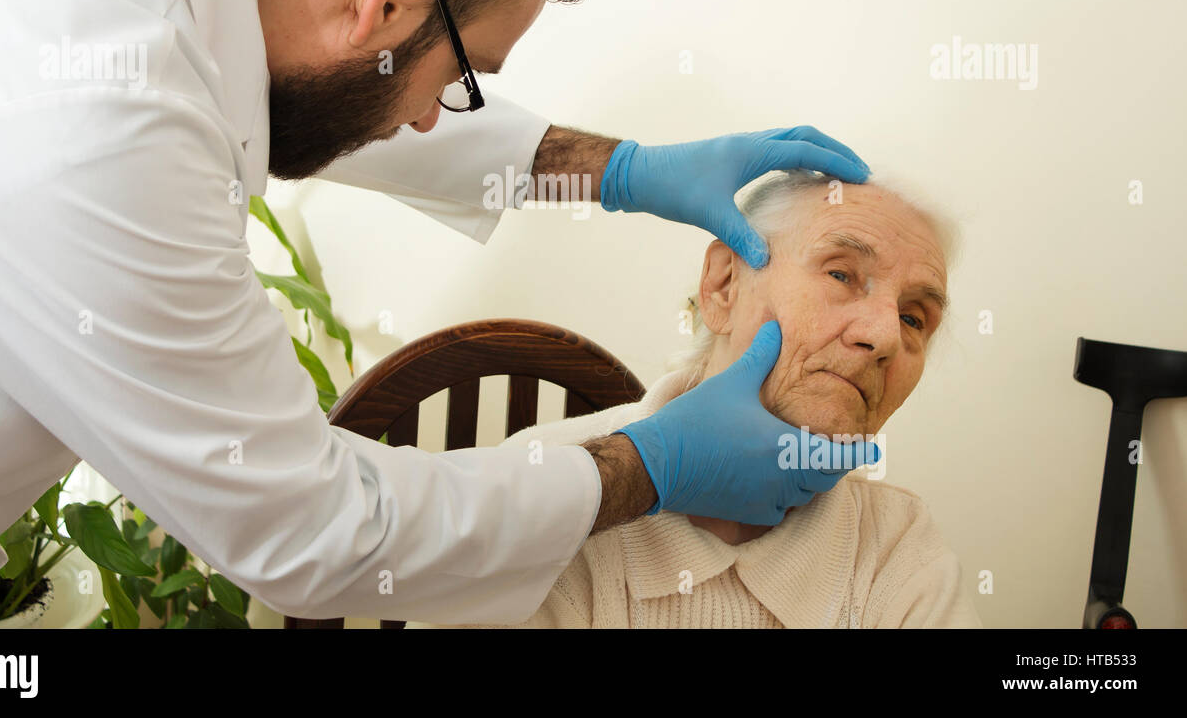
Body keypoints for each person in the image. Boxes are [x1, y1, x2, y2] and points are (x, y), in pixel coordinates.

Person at [0, 0, 871, 628]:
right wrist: (650, 466)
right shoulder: (87, 132)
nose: (439, 119)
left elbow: (277, 86)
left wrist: (619, 169)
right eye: (458, 77)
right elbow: (308, 533)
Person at [411, 171, 981, 627]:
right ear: (724, 285)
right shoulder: (542, 491)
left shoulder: (896, 546)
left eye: (913, 318)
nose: (884, 336)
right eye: (841, 274)